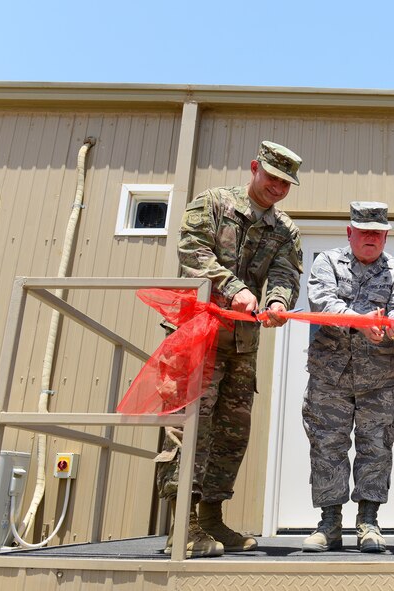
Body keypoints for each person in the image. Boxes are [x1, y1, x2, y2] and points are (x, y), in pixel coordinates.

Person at [156, 141, 304, 558]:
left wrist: (277, 300)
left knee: (231, 432)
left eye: (285, 183)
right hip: (196, 335)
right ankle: (181, 525)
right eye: (272, 177)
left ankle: (210, 518)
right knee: (189, 427)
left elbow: (286, 273)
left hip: (241, 344)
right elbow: (193, 252)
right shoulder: (214, 203)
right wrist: (235, 288)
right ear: (255, 167)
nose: (277, 188)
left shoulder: (284, 229)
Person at [301, 202, 394, 553]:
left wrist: (391, 329)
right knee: (327, 447)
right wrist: (364, 322)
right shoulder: (327, 263)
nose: (371, 238)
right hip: (329, 378)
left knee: (376, 449)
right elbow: (322, 303)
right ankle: (329, 523)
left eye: (377, 233)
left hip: (378, 381)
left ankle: (368, 521)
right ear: (350, 233)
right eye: (364, 232)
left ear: (385, 236)